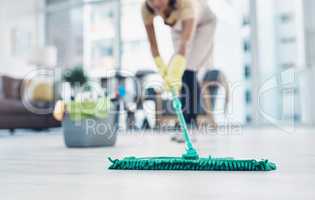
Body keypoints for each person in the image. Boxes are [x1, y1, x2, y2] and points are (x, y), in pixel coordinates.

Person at [142, 0, 218, 139]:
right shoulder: (146, 8)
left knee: (188, 69)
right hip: (179, 28)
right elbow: (153, 44)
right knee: (180, 74)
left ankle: (191, 126)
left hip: (204, 25)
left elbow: (184, 45)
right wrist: (162, 67)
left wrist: (176, 67)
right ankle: (184, 125)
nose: (156, 3)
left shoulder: (185, 2)